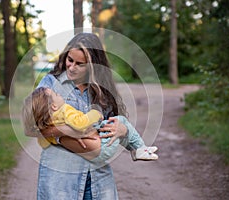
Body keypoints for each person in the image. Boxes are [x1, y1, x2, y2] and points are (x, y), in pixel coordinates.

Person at [25, 32, 152, 200]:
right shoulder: (50, 84)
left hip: (97, 178)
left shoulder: (102, 89)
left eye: (80, 64)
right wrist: (67, 131)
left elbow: (108, 127)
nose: (71, 67)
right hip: (60, 178)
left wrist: (122, 130)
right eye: (70, 60)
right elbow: (30, 128)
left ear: (94, 65)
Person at [22, 86, 158, 163]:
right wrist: (95, 113)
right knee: (121, 120)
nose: (59, 94)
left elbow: (46, 137)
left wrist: (64, 133)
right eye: (56, 94)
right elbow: (81, 124)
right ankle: (139, 148)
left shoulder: (50, 122)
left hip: (97, 150)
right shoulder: (64, 111)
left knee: (121, 126)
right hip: (104, 148)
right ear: (53, 106)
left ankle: (137, 150)